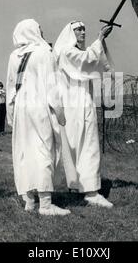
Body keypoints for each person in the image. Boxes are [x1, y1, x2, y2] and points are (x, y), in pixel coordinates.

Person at [6, 18, 69, 216]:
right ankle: (46, 204)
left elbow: (10, 87)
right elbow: (52, 84)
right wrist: (60, 111)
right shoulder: (44, 52)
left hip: (21, 109)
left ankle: (29, 200)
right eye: (39, 29)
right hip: (39, 106)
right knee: (43, 150)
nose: (42, 32)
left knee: (25, 152)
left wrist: (11, 114)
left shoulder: (14, 56)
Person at [53, 21, 114, 208]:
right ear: (69, 33)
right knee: (86, 145)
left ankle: (80, 185)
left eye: (83, 28)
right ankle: (91, 191)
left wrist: (99, 42)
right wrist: (100, 38)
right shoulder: (67, 51)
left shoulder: (70, 52)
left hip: (77, 103)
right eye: (78, 29)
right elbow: (87, 60)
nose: (82, 32)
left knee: (79, 145)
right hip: (76, 104)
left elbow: (91, 60)